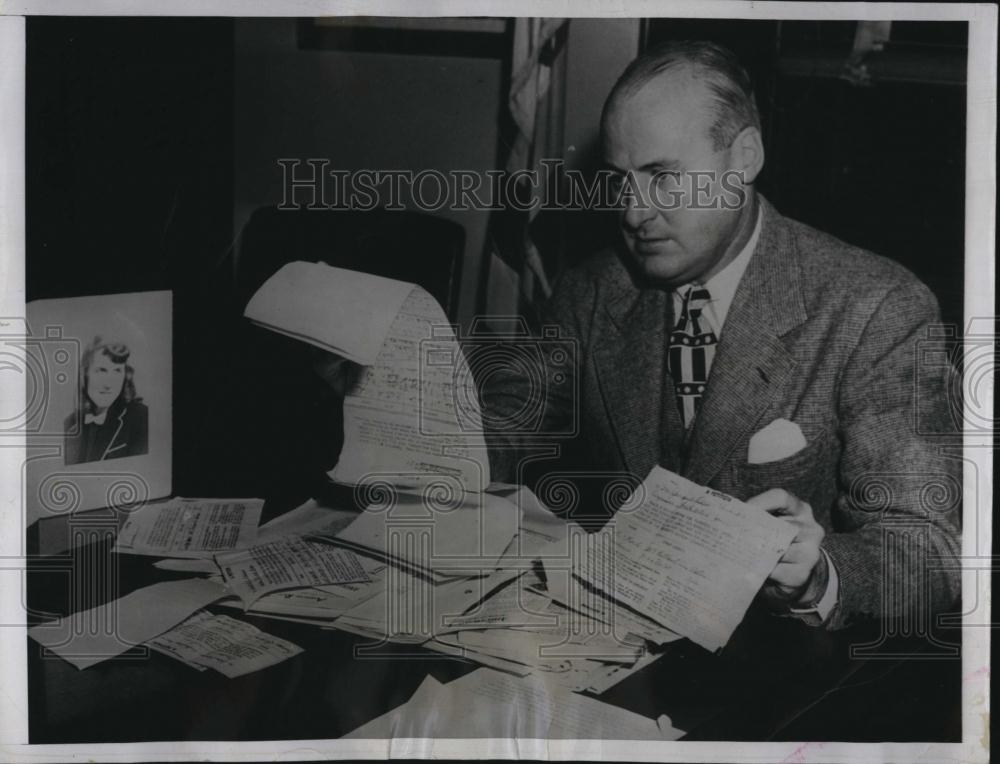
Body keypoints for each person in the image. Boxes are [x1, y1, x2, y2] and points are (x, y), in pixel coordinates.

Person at [483, 40, 962, 630]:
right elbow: (505, 426)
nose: (633, 213)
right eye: (621, 182)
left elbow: (930, 552)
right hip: (624, 649)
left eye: (663, 177)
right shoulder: (590, 291)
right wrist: (387, 401)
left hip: (789, 673)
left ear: (744, 159)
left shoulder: (876, 307)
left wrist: (820, 574)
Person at [64, 337, 149, 465]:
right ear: (84, 374)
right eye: (101, 371)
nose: (109, 384)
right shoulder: (70, 423)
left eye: (117, 371)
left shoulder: (141, 418)